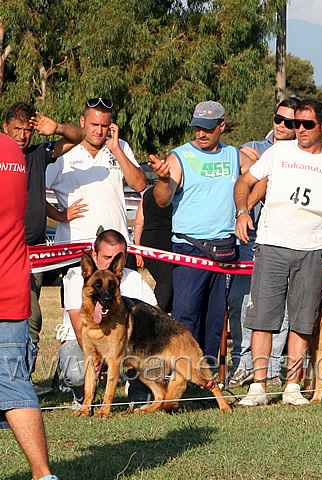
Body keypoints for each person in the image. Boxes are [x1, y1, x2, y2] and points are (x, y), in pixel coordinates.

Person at [234, 98, 322, 406]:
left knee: (302, 321)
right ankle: (258, 386)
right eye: (296, 124)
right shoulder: (278, 152)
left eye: (307, 124)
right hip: (272, 245)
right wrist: (242, 212)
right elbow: (244, 182)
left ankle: (292, 386)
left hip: (312, 251)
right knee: (262, 318)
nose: (300, 130)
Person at [148, 100, 244, 363]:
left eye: (208, 128)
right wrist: (164, 180)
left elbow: (258, 179)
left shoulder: (236, 155)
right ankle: (181, 371)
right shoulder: (179, 157)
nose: (201, 133)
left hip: (225, 249)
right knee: (186, 314)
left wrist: (244, 211)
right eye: (197, 127)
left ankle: (206, 373)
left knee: (215, 319)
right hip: (190, 248)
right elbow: (162, 200)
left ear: (222, 126)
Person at [226, 98, 298, 388]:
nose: (281, 125)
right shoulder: (253, 147)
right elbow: (240, 180)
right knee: (240, 301)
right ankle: (241, 363)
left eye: (289, 122)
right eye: (278, 119)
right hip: (250, 236)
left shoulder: (301, 153)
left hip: (285, 236)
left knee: (281, 305)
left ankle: (271, 367)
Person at [3, 102, 84, 355]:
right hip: (7, 251)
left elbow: (80, 137)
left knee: (29, 316)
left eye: (27, 130)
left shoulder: (39, 154)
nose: (22, 135)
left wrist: (57, 128)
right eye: (16, 129)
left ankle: (23, 376)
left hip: (34, 252)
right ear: (5, 127)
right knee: (28, 317)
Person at [0, 132, 58, 480]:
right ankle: (43, 474)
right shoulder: (10, 150)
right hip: (11, 284)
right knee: (14, 381)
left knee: (13, 383)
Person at [56, 229, 157, 407]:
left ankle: (134, 389)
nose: (111, 263)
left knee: (154, 363)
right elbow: (80, 331)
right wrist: (98, 359)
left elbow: (156, 317)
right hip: (81, 343)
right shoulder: (77, 278)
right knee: (78, 372)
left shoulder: (133, 278)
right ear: (94, 255)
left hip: (121, 346)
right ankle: (82, 398)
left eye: (117, 258)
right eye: (106, 257)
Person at [46, 97, 146, 243]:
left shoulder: (121, 146)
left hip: (118, 245)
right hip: (75, 247)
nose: (99, 131)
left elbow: (139, 185)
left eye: (104, 126)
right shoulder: (62, 151)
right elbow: (33, 193)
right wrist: (60, 215)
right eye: (94, 124)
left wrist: (116, 150)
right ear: (82, 122)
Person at [134, 187, 174, 313]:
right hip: (165, 242)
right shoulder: (175, 193)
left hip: (148, 242)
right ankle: (154, 315)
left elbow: (138, 224)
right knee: (166, 283)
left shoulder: (147, 194)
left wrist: (138, 249)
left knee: (167, 283)